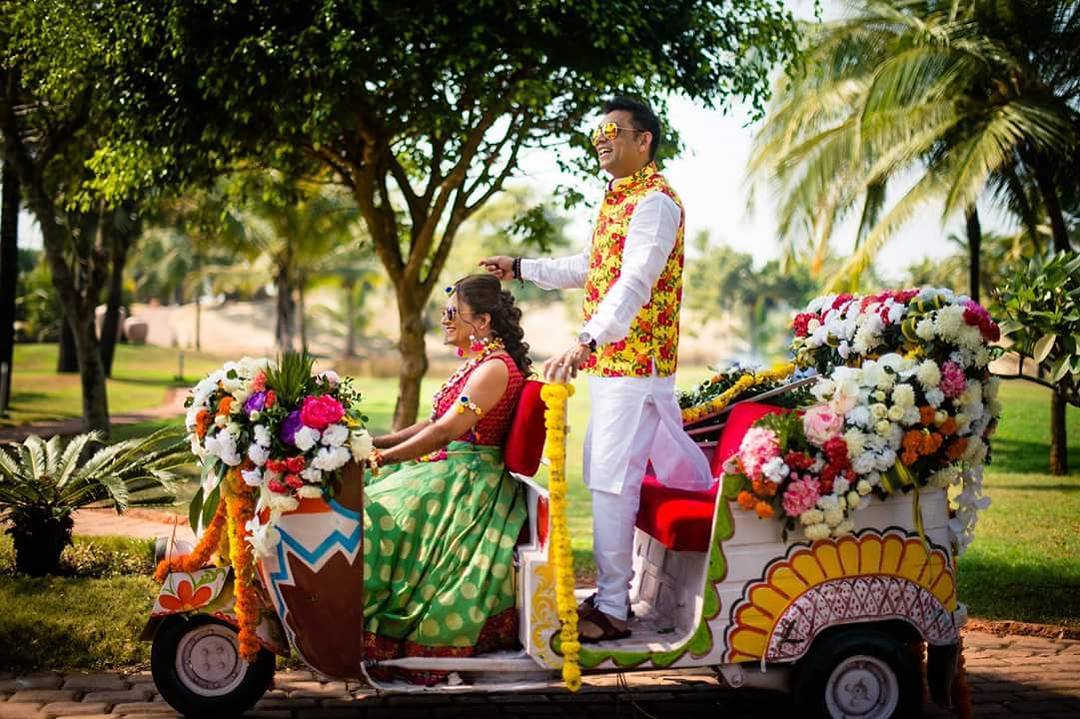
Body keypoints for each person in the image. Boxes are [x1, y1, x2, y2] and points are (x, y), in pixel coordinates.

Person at [481, 97, 712, 643]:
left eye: (612, 130)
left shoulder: (655, 202)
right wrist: (520, 267)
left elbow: (633, 282)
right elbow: (593, 269)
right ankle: (628, 596)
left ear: (644, 140)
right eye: (595, 134)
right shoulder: (618, 200)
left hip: (635, 365)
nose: (601, 140)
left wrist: (586, 339)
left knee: (609, 480)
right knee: (622, 474)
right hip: (617, 368)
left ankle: (612, 608)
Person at [358, 274, 531, 683]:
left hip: (471, 479)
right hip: (450, 465)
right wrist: (374, 442)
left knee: (382, 513)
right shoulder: (478, 363)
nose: (445, 320)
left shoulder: (494, 369)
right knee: (369, 496)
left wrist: (381, 458)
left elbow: (445, 432)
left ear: (483, 321)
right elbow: (433, 422)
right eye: (445, 312)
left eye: (454, 313)